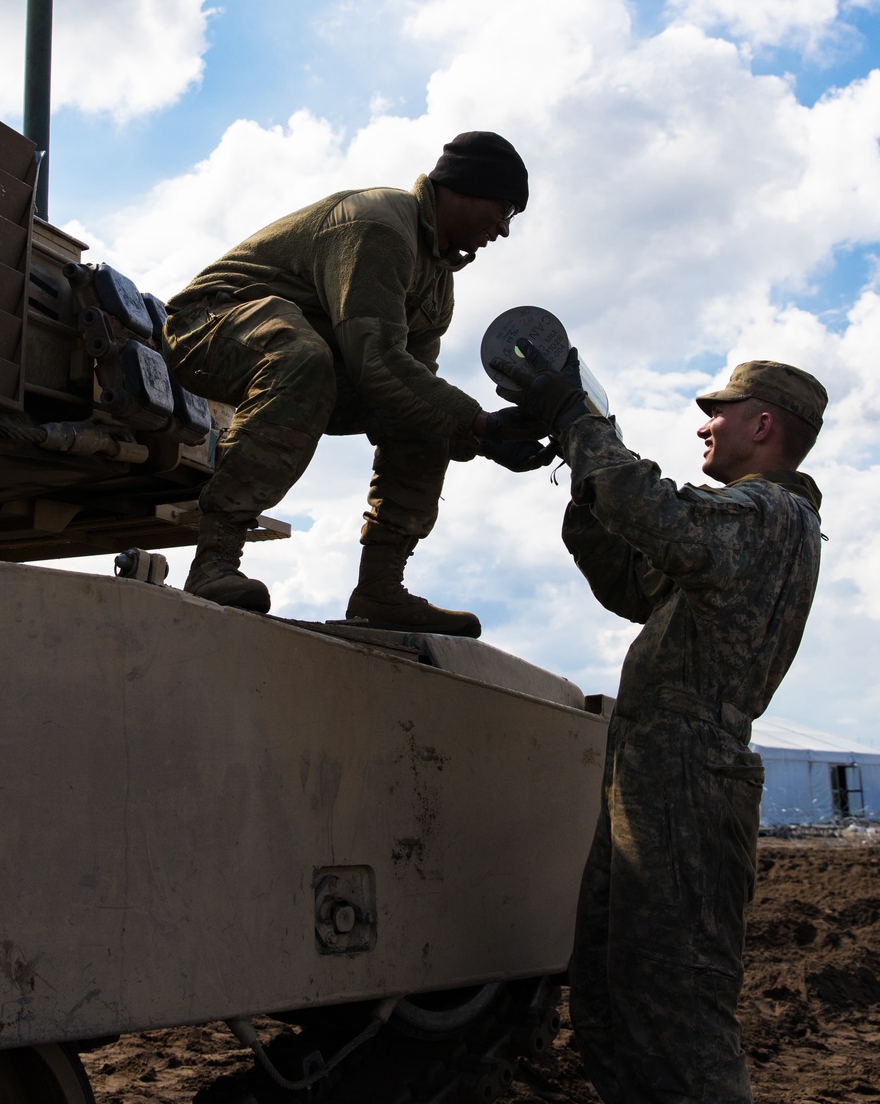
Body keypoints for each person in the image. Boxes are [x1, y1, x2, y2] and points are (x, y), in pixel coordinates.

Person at [490, 348, 828, 1104]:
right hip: (653, 785)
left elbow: (654, 509)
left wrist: (579, 419)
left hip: (686, 788)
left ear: (763, 423)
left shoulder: (767, 515)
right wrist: (580, 474)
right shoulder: (745, 531)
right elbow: (630, 579)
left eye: (719, 412)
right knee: (613, 1001)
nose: (704, 426)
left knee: (680, 1017)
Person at [162, 131, 552, 630]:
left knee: (422, 416)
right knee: (301, 356)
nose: (503, 230)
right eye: (503, 210)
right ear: (464, 190)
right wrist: (480, 423)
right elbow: (377, 362)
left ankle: (380, 591)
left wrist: (486, 436)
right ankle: (214, 562)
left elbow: (412, 385)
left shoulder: (438, 282)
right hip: (208, 325)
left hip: (316, 354)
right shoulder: (380, 227)